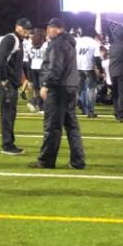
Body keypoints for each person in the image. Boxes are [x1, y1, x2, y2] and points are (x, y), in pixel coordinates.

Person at [29, 16, 86, 169]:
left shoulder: (57, 44)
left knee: (52, 126)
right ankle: (78, 161)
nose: (48, 30)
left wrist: (46, 85)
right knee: (71, 125)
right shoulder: (68, 43)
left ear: (59, 29)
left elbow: (55, 67)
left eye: (51, 27)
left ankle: (46, 160)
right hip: (70, 86)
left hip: (58, 88)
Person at [0, 18, 32, 154]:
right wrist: (4, 79)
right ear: (17, 27)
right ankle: (7, 145)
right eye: (24, 28)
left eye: (28, 29)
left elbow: (15, 64)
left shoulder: (18, 41)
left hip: (11, 82)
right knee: (7, 114)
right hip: (7, 83)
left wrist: (22, 79)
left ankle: (9, 142)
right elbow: (1, 61)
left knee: (10, 114)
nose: (26, 31)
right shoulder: (11, 39)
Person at [74, 27, 99, 117]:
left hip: (77, 67)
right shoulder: (94, 42)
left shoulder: (77, 41)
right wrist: (99, 69)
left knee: (77, 90)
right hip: (89, 68)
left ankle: (71, 109)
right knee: (91, 89)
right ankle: (91, 111)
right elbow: (97, 57)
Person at [25, 29, 47, 112]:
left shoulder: (30, 45)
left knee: (37, 90)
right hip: (42, 69)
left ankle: (40, 107)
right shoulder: (45, 45)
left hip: (33, 68)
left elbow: (29, 60)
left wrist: (29, 78)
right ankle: (34, 102)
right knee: (44, 89)